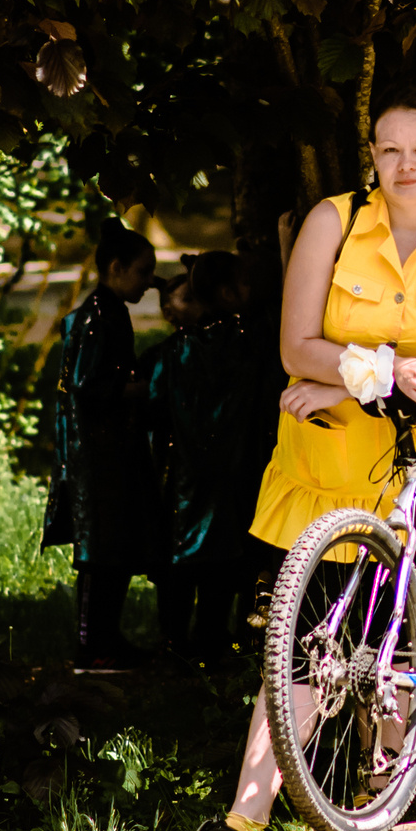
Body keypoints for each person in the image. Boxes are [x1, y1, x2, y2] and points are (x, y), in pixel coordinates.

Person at [186, 86, 416, 831]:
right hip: (325, 468)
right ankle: (245, 816)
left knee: (401, 650)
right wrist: (385, 372)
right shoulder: (331, 222)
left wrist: (346, 380)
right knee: (303, 651)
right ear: (371, 155)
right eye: (390, 148)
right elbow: (294, 345)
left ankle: (378, 794)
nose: (406, 164)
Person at [41, 222, 163, 672]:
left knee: (117, 549)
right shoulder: (97, 316)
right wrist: (135, 391)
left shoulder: (110, 311)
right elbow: (85, 386)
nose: (149, 282)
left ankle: (108, 639)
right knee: (100, 553)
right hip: (96, 456)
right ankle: (92, 645)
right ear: (116, 268)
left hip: (113, 451)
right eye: (143, 271)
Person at [145, 250, 268, 657]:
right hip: (238, 474)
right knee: (228, 560)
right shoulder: (253, 343)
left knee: (182, 560)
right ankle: (214, 643)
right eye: (244, 282)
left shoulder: (174, 350)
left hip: (184, 477)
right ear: (228, 293)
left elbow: (153, 405)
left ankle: (174, 643)